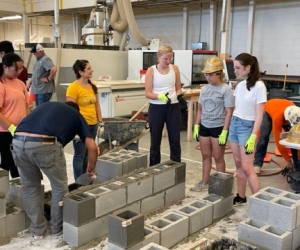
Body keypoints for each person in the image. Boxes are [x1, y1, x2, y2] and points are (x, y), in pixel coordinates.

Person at [11, 101, 98, 239]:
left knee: (29, 187)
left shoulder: (46, 106)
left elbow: (31, 133)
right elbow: (93, 147)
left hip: (17, 141)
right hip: (45, 142)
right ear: (77, 110)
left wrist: (35, 163)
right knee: (59, 187)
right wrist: (91, 169)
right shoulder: (76, 115)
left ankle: (38, 231)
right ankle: (56, 228)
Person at [190, 56, 234, 191]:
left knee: (218, 157)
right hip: (205, 126)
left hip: (218, 127)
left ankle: (221, 185)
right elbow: (200, 110)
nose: (208, 77)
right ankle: (205, 182)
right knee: (205, 156)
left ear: (219, 74)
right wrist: (196, 126)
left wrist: (225, 131)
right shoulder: (204, 89)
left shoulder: (226, 90)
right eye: (206, 75)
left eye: (211, 75)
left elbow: (229, 112)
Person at [228, 53, 267, 205]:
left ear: (248, 68)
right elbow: (236, 107)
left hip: (247, 127)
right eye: (234, 67)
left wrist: (252, 136)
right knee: (238, 163)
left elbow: (259, 115)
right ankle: (241, 196)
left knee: (247, 167)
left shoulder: (259, 86)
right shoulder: (240, 85)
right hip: (235, 124)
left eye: (238, 68)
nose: (235, 70)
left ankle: (258, 203)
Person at [145, 44, 182, 166]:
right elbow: (148, 93)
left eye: (170, 59)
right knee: (155, 140)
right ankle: (154, 168)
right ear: (159, 56)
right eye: (165, 59)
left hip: (173, 106)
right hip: (156, 107)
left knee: (175, 139)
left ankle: (176, 166)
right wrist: (159, 96)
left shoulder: (175, 68)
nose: (168, 61)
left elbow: (178, 88)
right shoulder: (151, 70)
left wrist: (178, 95)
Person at [66, 59, 102, 180]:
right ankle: (78, 181)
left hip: (93, 123)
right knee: (80, 155)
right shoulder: (73, 87)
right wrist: (74, 127)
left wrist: (100, 121)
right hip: (81, 125)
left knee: (88, 154)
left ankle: (86, 178)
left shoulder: (93, 86)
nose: (92, 70)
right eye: (89, 68)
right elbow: (71, 110)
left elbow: (97, 105)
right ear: (81, 72)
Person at [0, 53, 29, 178]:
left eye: (21, 68)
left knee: (19, 164)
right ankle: (3, 193)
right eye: (16, 69)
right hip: (5, 132)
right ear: (5, 67)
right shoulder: (1, 85)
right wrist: (12, 128)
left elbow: (26, 106)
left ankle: (18, 192)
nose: (19, 71)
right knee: (7, 162)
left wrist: (27, 125)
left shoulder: (20, 84)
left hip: (20, 131)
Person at [254, 99, 300, 174]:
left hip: (284, 110)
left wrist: (298, 159)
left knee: (293, 137)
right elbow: (278, 141)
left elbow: (297, 140)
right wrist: (288, 161)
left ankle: (297, 164)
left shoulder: (297, 113)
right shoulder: (278, 118)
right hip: (268, 111)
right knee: (264, 138)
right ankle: (257, 164)